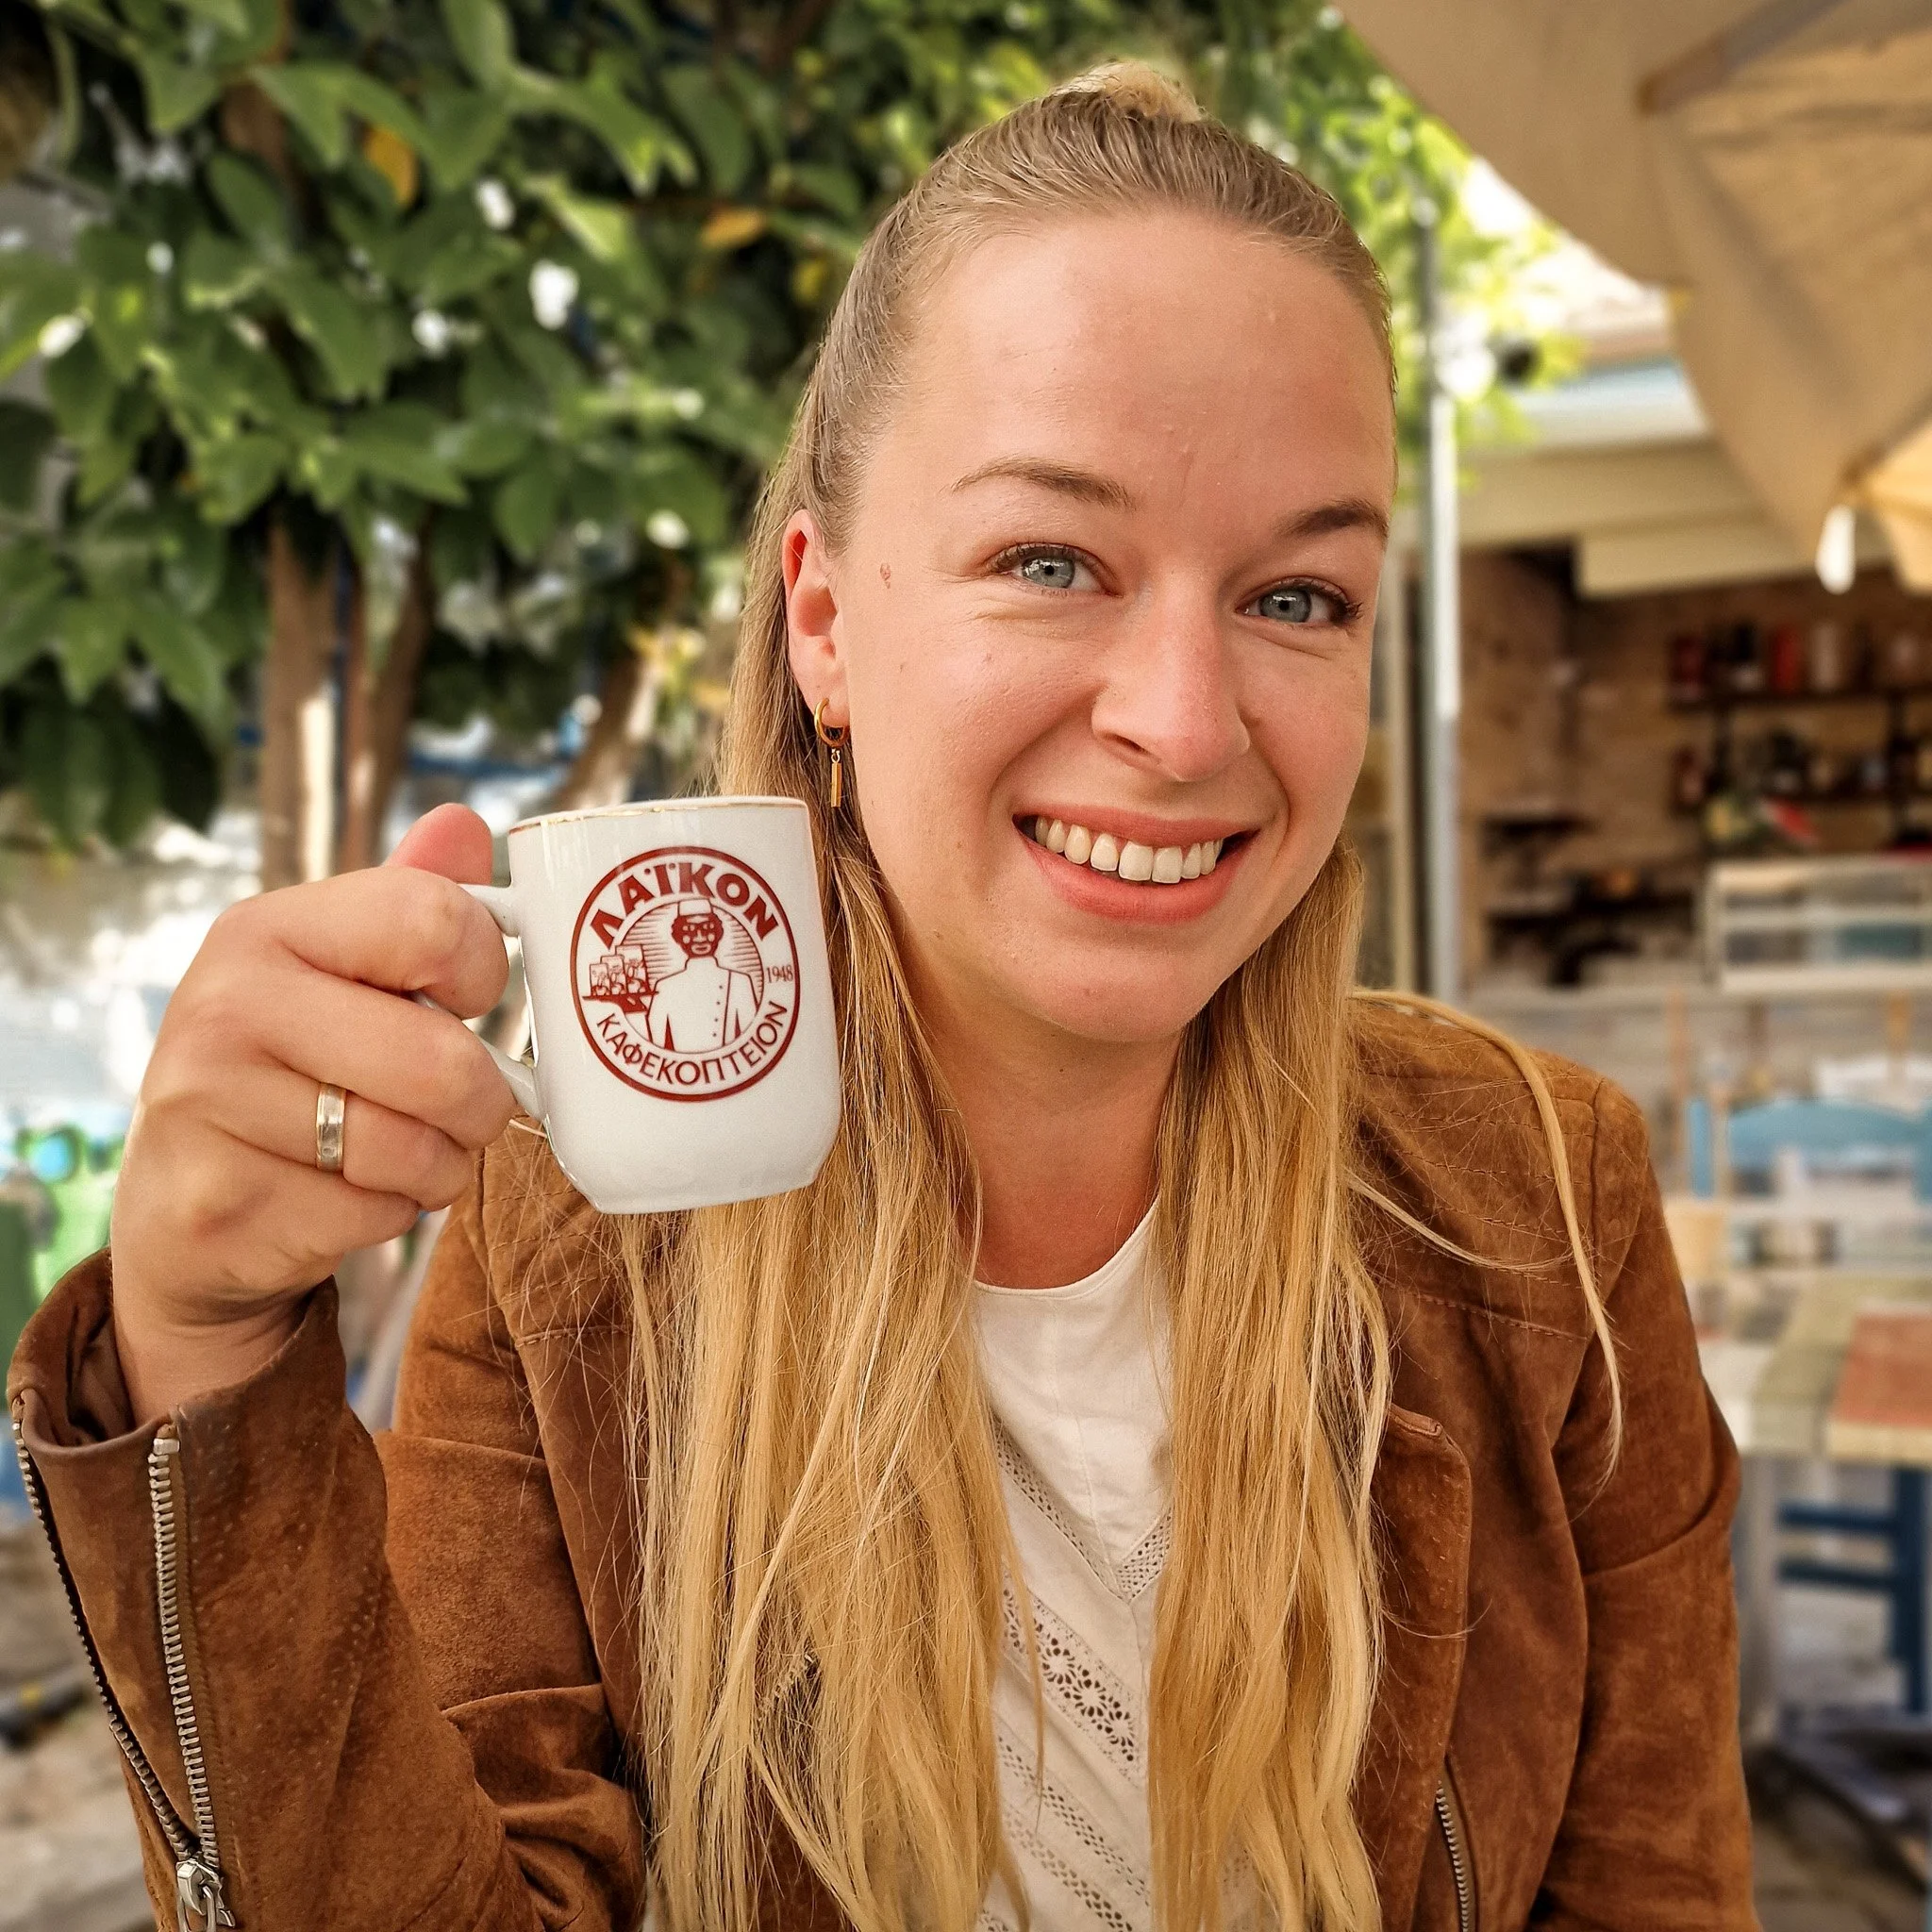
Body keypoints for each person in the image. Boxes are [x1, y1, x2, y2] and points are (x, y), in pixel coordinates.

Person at [8, 66, 1753, 1932]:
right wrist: (198, 1365)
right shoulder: (569, 1243)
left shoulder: (1541, 1204)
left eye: (1298, 597)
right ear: (825, 621)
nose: (1181, 720)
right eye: (1049, 561)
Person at [645, 900, 758, 1052]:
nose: (700, 938)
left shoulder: (739, 981)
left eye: (707, 929)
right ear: (678, 937)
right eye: (690, 931)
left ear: (718, 933)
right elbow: (653, 1042)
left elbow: (753, 1038)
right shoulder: (664, 987)